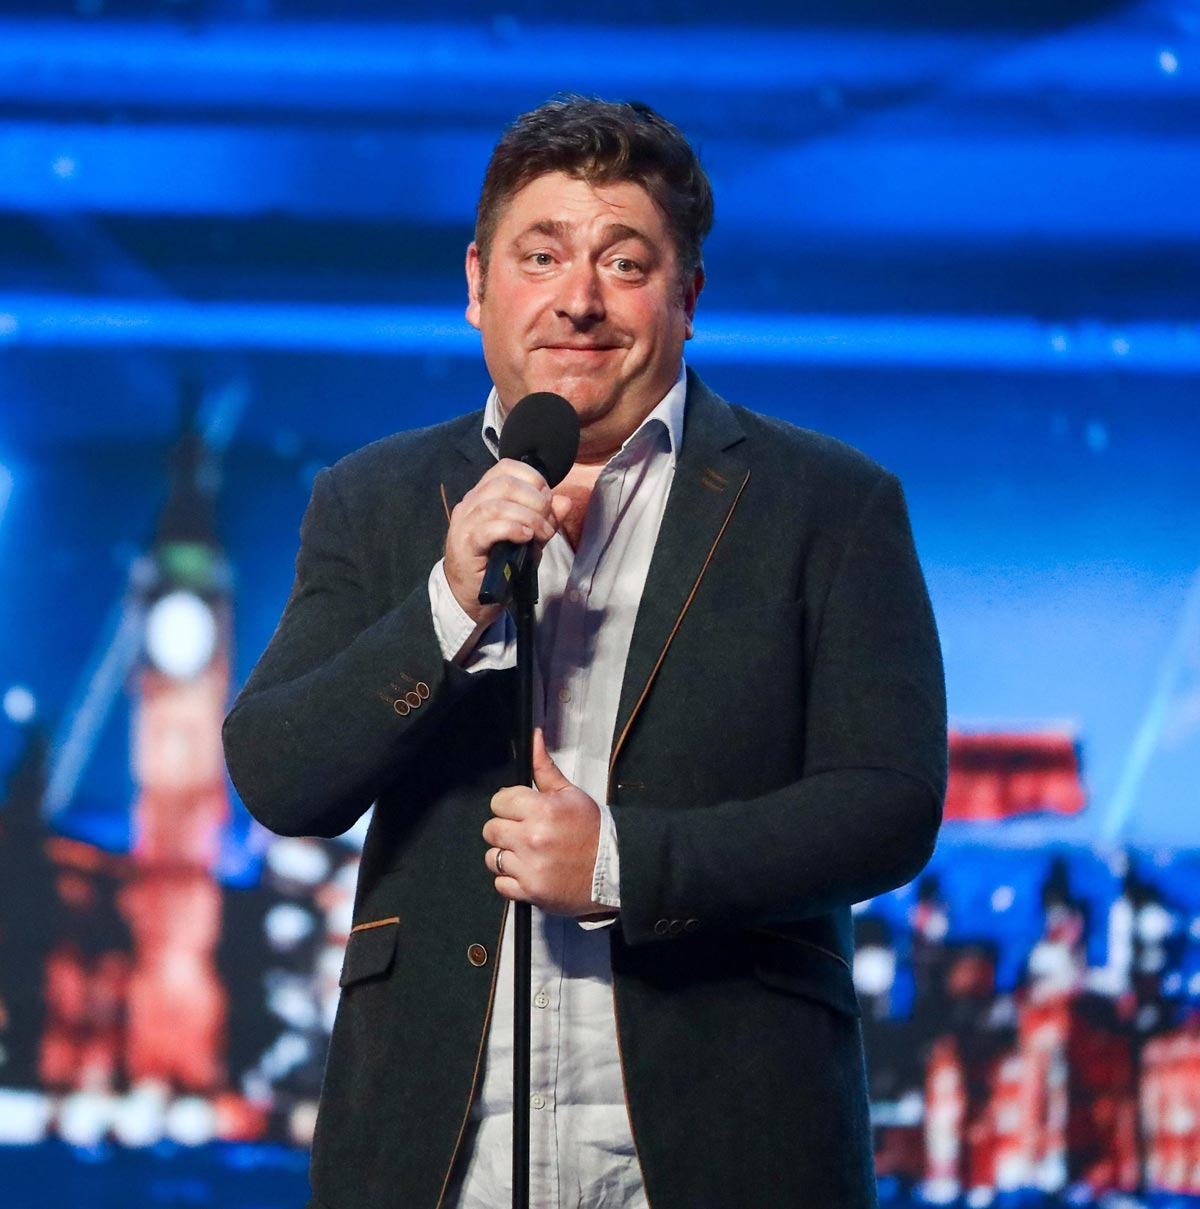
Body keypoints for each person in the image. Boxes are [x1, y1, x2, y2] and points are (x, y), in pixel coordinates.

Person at [223, 95, 947, 1209]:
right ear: (478, 285)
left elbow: (886, 803)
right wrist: (446, 604)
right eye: (541, 255)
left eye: (625, 261)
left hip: (723, 1147)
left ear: (687, 298)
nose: (579, 298)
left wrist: (621, 863)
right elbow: (280, 775)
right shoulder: (375, 499)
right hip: (440, 1156)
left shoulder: (828, 504)